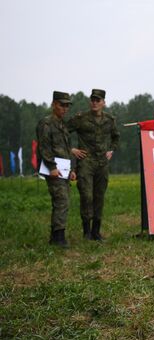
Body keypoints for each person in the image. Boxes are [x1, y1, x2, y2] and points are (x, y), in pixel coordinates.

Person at [68, 89, 120, 241]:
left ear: (103, 103)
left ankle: (96, 232)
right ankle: (86, 232)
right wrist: (72, 149)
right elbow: (63, 132)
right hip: (85, 163)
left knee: (99, 197)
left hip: (102, 164)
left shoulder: (109, 120)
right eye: (92, 100)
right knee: (86, 196)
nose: (95, 103)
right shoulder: (81, 118)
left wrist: (112, 150)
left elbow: (116, 137)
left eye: (98, 100)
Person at [36, 91, 77, 248]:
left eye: (67, 105)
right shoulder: (46, 123)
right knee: (61, 201)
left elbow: (66, 149)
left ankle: (56, 237)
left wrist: (71, 169)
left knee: (64, 201)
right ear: (54, 104)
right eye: (62, 105)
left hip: (64, 169)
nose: (65, 108)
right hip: (53, 169)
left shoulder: (62, 124)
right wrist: (51, 167)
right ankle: (58, 238)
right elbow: (44, 147)